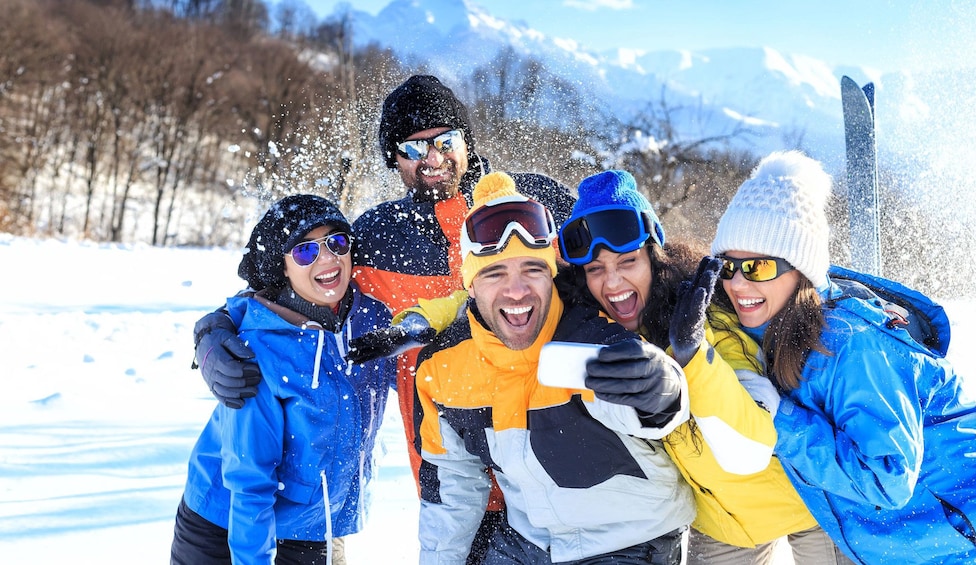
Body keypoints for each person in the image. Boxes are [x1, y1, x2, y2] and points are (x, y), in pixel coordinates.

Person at [192, 74, 576, 564]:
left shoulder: (533, 204)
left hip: (559, 460)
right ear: (393, 160)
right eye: (413, 149)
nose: (432, 159)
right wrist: (214, 330)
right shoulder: (377, 237)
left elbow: (624, 263)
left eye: (444, 141)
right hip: (449, 477)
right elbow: (290, 287)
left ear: (466, 141)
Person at [710, 150, 976, 564]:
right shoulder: (773, 335)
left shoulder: (853, 345)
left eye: (757, 266)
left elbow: (888, 479)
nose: (738, 283)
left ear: (800, 269)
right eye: (727, 266)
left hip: (969, 538)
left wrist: (780, 420)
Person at [552, 169, 852, 565]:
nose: (612, 282)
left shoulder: (704, 316)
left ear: (656, 259)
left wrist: (693, 357)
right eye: (595, 269)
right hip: (722, 526)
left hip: (804, 504)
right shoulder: (598, 333)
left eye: (628, 261)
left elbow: (753, 436)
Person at [413, 170, 694, 564]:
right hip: (529, 542)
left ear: (551, 275)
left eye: (532, 269)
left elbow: (651, 401)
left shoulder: (589, 335)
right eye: (494, 273)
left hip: (627, 538)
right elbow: (452, 485)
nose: (516, 291)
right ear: (470, 286)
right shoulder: (443, 367)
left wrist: (660, 388)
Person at [170, 195, 397, 565]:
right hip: (225, 520)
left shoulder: (370, 319)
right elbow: (249, 484)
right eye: (305, 252)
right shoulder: (260, 352)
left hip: (313, 524)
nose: (327, 259)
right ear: (283, 268)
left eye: (337, 242)